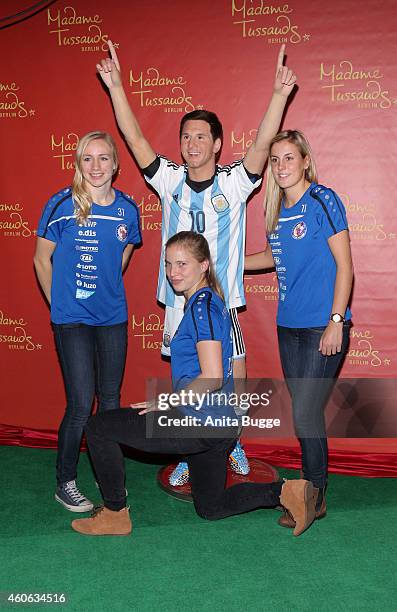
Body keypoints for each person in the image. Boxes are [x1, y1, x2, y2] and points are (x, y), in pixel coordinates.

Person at [96, 41, 297, 484]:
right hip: (178, 303)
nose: (192, 143)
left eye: (201, 136)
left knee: (233, 379)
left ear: (217, 143)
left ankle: (233, 441)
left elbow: (263, 145)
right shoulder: (168, 179)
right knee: (189, 377)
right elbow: (134, 138)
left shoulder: (236, 182)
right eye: (186, 136)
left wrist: (279, 97)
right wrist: (115, 87)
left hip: (221, 304)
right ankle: (191, 446)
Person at [71, 231, 316, 537]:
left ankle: (115, 514)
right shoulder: (208, 302)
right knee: (210, 507)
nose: (173, 272)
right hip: (217, 426)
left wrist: (166, 402)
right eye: (169, 264)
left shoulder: (203, 307)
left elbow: (212, 377)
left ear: (204, 265)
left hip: (199, 422)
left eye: (183, 264)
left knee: (98, 427)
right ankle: (287, 492)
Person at [245, 129, 353, 528]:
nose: (281, 166)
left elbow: (345, 265)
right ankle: (312, 490)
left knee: (306, 412)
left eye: (289, 158)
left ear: (305, 161)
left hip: (321, 328)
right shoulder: (275, 211)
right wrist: (229, 263)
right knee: (305, 413)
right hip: (287, 327)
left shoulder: (323, 200)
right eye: (275, 160)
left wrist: (336, 322)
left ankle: (313, 495)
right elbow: (270, 259)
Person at [34, 131, 142, 512]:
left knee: (110, 402)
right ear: (77, 164)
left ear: (115, 163)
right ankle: (65, 480)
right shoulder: (61, 204)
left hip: (112, 318)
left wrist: (107, 284)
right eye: (87, 159)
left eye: (103, 158)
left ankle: (106, 472)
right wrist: (58, 306)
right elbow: (40, 259)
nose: (95, 166)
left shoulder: (128, 209)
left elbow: (125, 251)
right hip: (72, 321)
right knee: (81, 404)